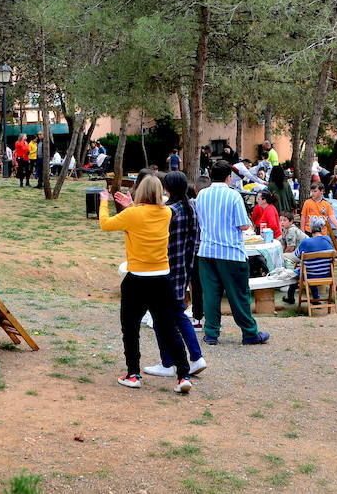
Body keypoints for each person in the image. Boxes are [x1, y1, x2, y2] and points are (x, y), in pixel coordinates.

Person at [98, 173, 193, 393]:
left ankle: (133, 374)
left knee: (130, 328)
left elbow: (105, 224)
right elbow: (149, 215)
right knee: (170, 327)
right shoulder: (168, 212)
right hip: (162, 279)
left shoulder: (132, 214)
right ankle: (183, 375)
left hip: (137, 280)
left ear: (140, 191)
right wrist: (132, 206)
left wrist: (104, 202)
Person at [196, 158, 269, 346]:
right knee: (239, 294)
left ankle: (211, 332)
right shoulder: (234, 196)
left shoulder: (202, 195)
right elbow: (244, 225)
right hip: (230, 252)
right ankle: (250, 332)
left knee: (211, 294)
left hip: (207, 250)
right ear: (229, 178)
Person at [143, 170, 207, 380]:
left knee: (161, 318)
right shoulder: (193, 207)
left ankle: (168, 362)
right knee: (178, 313)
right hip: (184, 270)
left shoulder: (170, 211)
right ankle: (196, 357)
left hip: (164, 270)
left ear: (167, 188)